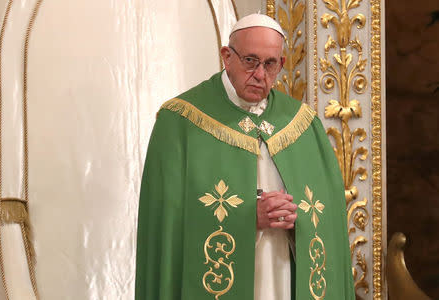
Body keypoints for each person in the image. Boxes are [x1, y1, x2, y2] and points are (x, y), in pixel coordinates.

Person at [135, 14, 355, 300]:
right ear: (227, 57)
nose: (260, 74)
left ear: (282, 64)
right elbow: (168, 223)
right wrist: (248, 217)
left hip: (285, 274)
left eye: (270, 64)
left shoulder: (301, 122)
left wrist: (293, 214)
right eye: (250, 61)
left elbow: (328, 222)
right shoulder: (181, 121)